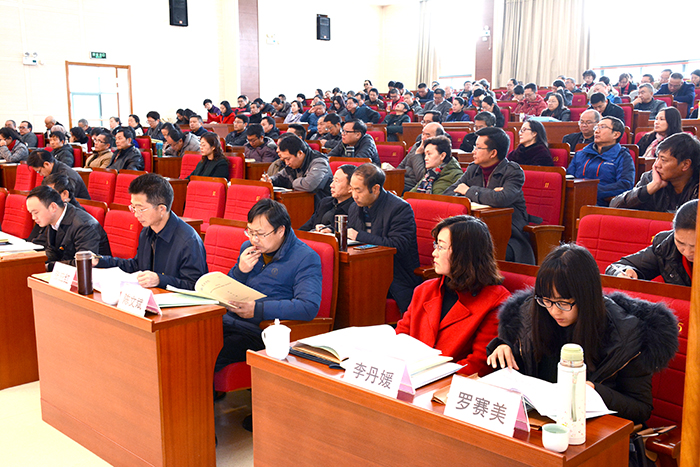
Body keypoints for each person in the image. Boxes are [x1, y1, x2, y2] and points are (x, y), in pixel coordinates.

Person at [486, 243, 678, 425]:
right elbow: (522, 378)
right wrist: (503, 346)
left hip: (591, 431)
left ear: (586, 297)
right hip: (539, 425)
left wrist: (596, 392)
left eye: (563, 303)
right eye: (547, 301)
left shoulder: (626, 333)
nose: (554, 311)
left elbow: (641, 409)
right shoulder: (533, 312)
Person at [214, 198, 322, 375]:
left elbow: (308, 306)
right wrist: (240, 271)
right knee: (189, 339)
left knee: (209, 353)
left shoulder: (305, 257)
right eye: (250, 232)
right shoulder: (248, 248)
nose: (253, 239)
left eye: (260, 234)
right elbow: (229, 289)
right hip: (227, 322)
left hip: (260, 332)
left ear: (280, 231)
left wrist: (258, 310)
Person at [396, 216, 510, 377]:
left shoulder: (496, 301)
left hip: (451, 385)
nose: (434, 253)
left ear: (464, 254)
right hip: (410, 377)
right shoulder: (424, 290)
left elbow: (479, 364)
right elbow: (401, 338)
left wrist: (429, 380)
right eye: (436, 245)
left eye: (441, 247)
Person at [94, 173, 207, 290]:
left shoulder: (188, 241)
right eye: (133, 207)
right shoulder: (147, 231)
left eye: (141, 209)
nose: (136, 214)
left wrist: (160, 280)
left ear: (162, 209)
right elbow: (137, 265)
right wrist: (100, 261)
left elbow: (195, 286)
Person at [445, 127, 535, 264]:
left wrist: (469, 191)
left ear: (493, 153)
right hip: (475, 231)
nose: (473, 151)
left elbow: (501, 199)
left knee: (471, 253)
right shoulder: (473, 168)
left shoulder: (513, 172)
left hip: (509, 235)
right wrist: (489, 194)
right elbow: (449, 194)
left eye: (478, 147)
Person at [347, 163, 421, 313]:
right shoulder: (355, 207)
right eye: (352, 189)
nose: (354, 195)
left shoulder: (400, 209)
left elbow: (397, 245)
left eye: (358, 190)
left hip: (396, 274)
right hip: (365, 268)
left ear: (375, 189)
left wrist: (360, 236)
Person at [607, 199, 696, 286]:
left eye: (694, 246)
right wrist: (624, 272)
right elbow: (617, 266)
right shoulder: (665, 245)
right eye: (680, 243)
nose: (687, 252)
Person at [611, 133, 700, 212]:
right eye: (657, 158)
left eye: (663, 160)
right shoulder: (651, 178)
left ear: (685, 164)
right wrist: (652, 187)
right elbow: (614, 206)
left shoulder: (697, 187)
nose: (656, 165)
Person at [25, 186, 106, 271]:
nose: (33, 217)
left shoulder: (84, 225)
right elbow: (52, 252)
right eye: (31, 213)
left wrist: (49, 266)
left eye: (36, 212)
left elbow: (83, 262)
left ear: (53, 207)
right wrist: (32, 261)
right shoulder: (53, 218)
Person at [567, 116, 634, 206]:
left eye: (602, 127)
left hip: (602, 203)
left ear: (616, 135)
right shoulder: (581, 154)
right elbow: (569, 177)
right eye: (596, 127)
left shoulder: (623, 156)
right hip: (574, 200)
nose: (596, 131)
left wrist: (591, 191)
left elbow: (625, 185)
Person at [263, 134, 331, 206]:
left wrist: (293, 182)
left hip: (321, 206)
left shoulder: (319, 162)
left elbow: (309, 185)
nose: (286, 163)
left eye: (288, 159)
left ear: (300, 153)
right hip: (302, 203)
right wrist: (270, 180)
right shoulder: (293, 164)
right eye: (284, 159)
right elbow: (280, 176)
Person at [299, 164, 356, 232]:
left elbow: (349, 230)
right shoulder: (325, 202)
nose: (331, 185)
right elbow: (307, 227)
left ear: (351, 188)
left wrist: (331, 230)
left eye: (337, 181)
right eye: (333, 180)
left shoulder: (356, 209)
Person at [397, 119, 445, 192]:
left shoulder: (437, 152)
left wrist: (418, 154)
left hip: (414, 186)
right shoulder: (417, 145)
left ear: (438, 137)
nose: (423, 137)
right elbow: (400, 167)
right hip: (402, 182)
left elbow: (422, 177)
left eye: (427, 135)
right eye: (423, 134)